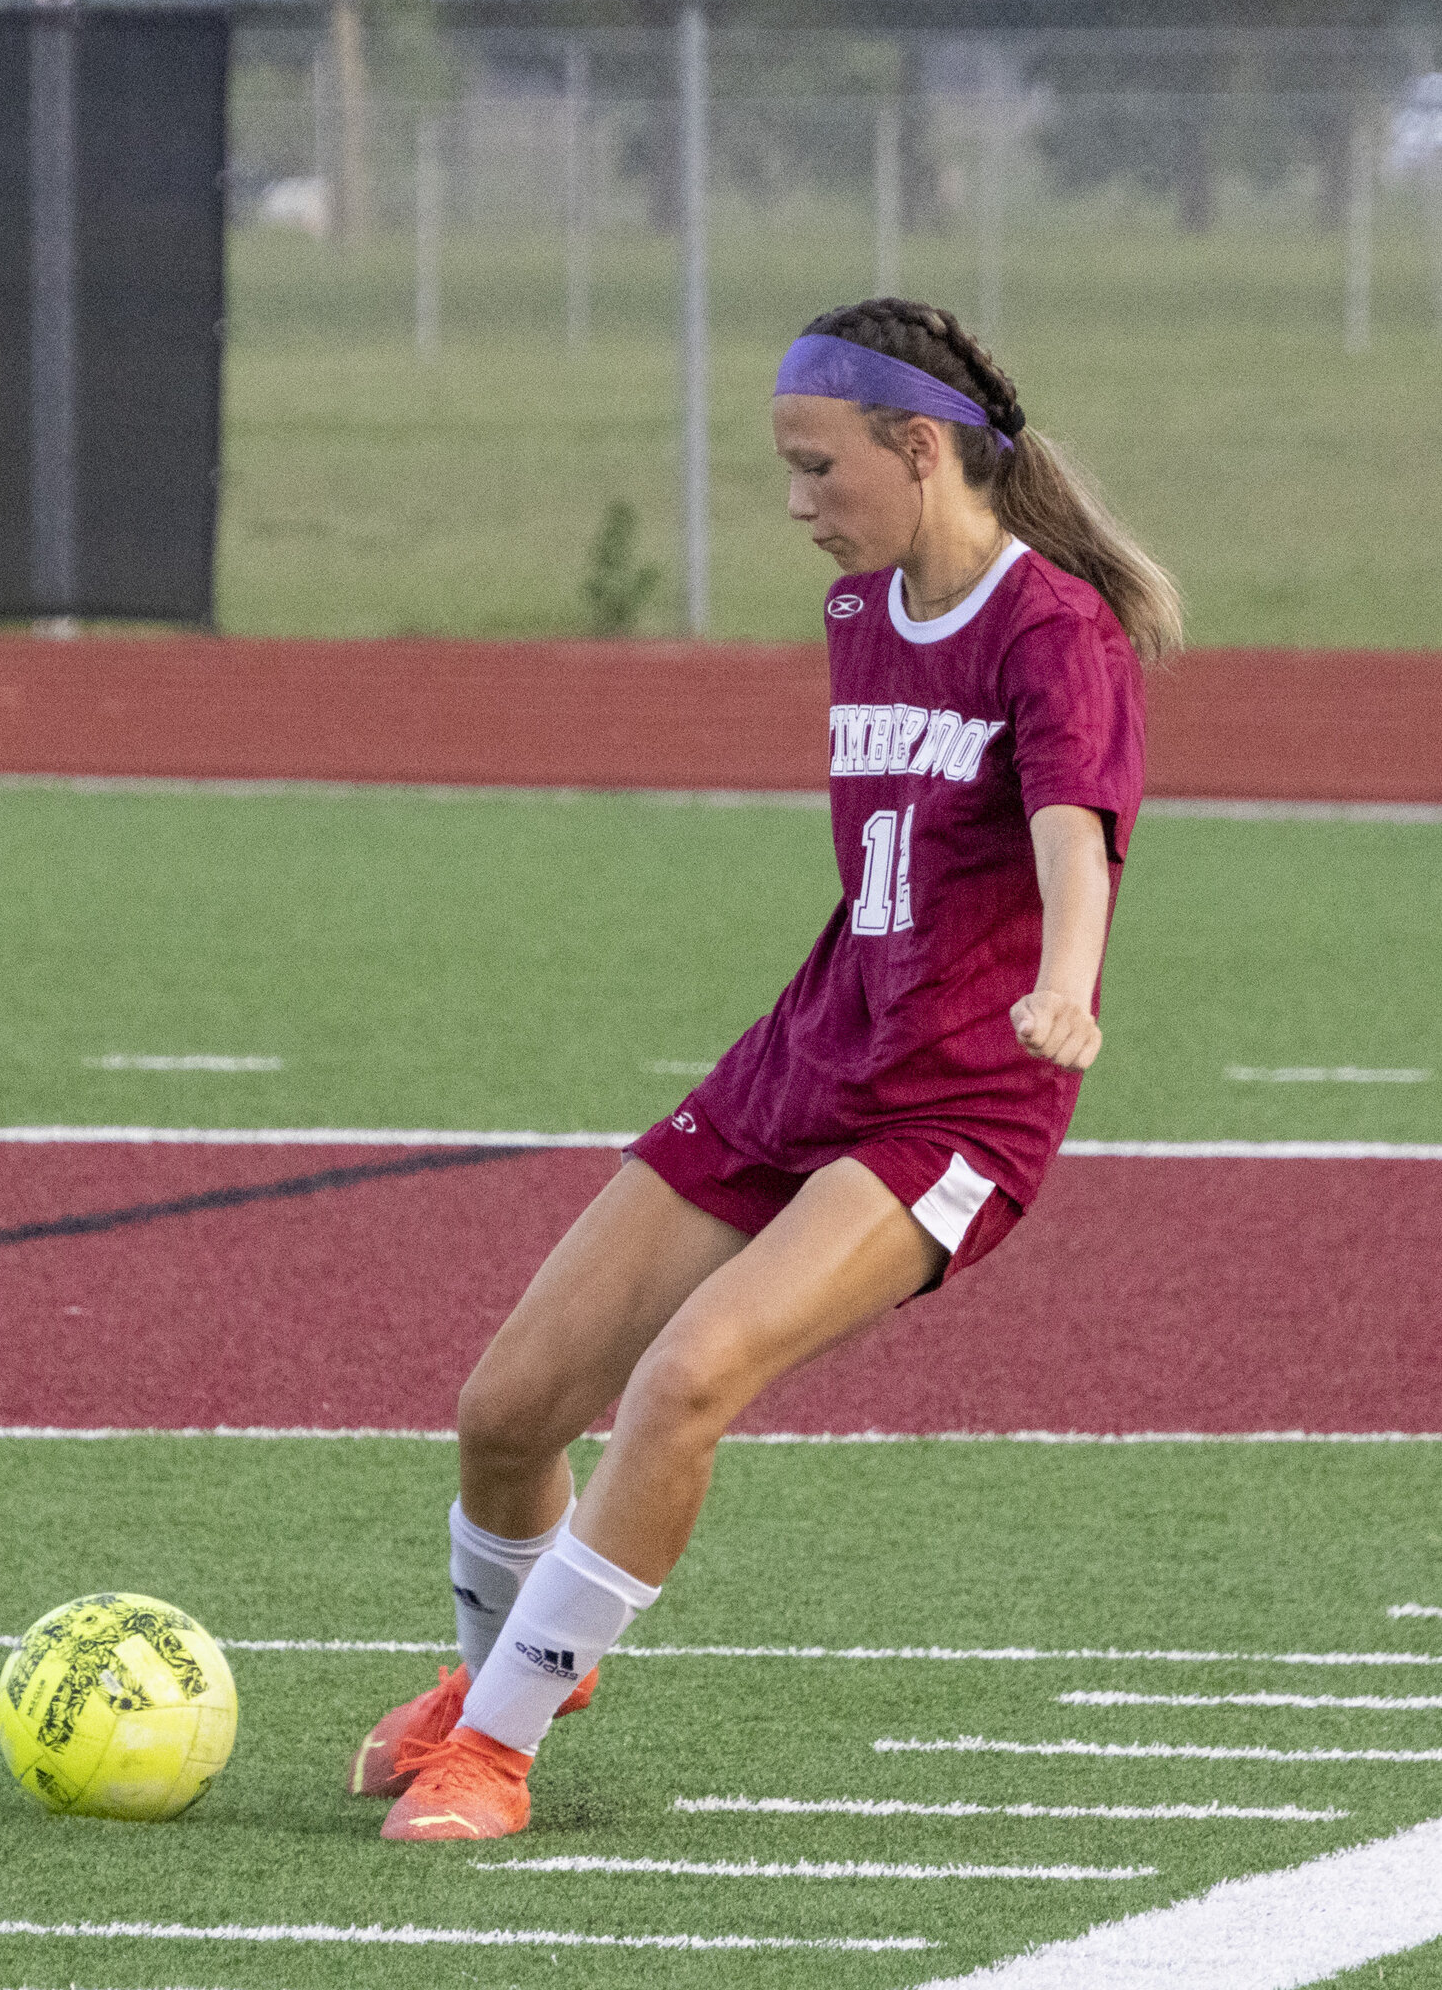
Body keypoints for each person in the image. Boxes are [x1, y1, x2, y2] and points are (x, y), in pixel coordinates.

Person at [348, 296, 1182, 1842]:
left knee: (684, 1384)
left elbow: (1077, 836)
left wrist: (1066, 989)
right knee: (507, 1409)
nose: (794, 503)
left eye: (815, 468)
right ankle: (508, 1681)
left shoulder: (1050, 629)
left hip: (952, 1106)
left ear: (918, 449)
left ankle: (498, 1750)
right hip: (801, 1058)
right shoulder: (863, 610)